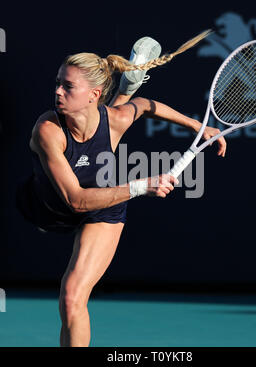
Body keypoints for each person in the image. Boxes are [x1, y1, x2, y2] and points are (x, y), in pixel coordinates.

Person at [16, 31, 227, 347]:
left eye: (68, 86)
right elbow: (75, 199)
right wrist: (143, 185)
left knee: (72, 297)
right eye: (58, 83)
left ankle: (127, 87)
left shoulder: (114, 120)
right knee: (112, 125)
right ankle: (126, 87)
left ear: (94, 94)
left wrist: (199, 126)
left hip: (102, 207)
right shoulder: (47, 130)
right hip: (48, 209)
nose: (57, 92)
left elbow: (146, 105)